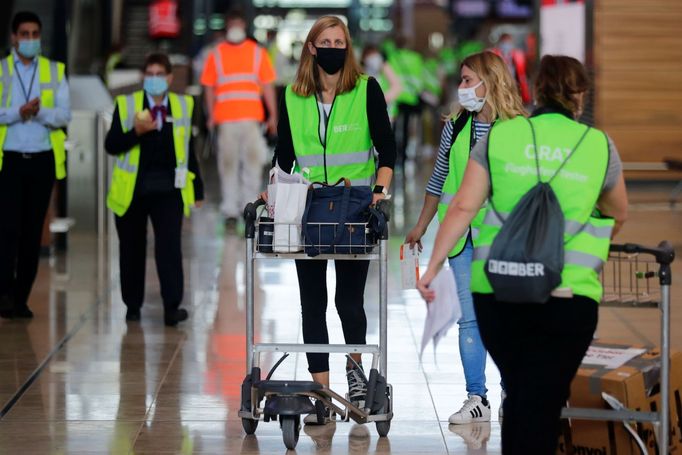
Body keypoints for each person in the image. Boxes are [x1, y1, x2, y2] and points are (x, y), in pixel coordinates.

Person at [417, 55, 628, 454]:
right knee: (544, 400)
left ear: (538, 91)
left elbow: (462, 206)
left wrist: (432, 267)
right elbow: (619, 212)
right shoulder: (598, 145)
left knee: (520, 395)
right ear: (579, 96)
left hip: (499, 289)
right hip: (569, 296)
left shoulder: (501, 138)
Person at [268, 15, 396, 424]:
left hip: (354, 207)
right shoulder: (293, 96)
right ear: (311, 47)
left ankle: (355, 376)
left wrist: (379, 193)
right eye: (326, 41)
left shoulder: (366, 90)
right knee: (312, 303)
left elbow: (387, 150)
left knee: (348, 300)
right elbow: (285, 155)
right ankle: (320, 393)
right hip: (308, 207)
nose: (334, 47)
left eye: (340, 41)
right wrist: (269, 192)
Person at [406, 51, 526, 425]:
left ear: (489, 82)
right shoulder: (456, 125)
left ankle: (512, 390)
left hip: (501, 239)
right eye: (461, 80)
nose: (461, 88)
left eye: (467, 79)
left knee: (506, 318)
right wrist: (421, 226)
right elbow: (438, 180)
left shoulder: (517, 128)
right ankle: (477, 396)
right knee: (469, 319)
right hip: (460, 238)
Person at [105, 53, 204, 327]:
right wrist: (136, 131)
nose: (155, 79)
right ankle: (132, 306)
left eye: (160, 74)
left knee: (169, 248)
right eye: (150, 74)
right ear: (143, 77)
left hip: (168, 190)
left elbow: (188, 150)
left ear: (170, 78)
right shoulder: (126, 105)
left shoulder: (183, 105)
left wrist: (198, 189)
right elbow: (111, 145)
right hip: (132, 190)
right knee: (132, 249)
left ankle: (172, 307)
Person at [0, 11, 71, 319]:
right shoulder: (1, 70)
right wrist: (19, 112)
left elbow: (63, 115)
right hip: (10, 159)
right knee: (7, 230)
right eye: (24, 34)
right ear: (14, 37)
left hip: (42, 160)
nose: (30, 40)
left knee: (32, 233)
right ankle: (3, 292)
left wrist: (39, 113)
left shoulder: (55, 71)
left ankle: (20, 299)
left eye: (34, 34)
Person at [200, 9, 277, 228]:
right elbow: (209, 88)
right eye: (232, 23)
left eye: (238, 23)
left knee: (252, 164)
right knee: (227, 164)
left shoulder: (257, 53)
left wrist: (272, 115)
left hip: (252, 119)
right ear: (227, 26)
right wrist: (211, 114)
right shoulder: (216, 54)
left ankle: (248, 207)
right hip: (225, 119)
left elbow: (268, 86)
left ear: (244, 26)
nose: (235, 27)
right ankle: (230, 210)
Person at [360, 44, 401, 121]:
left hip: (387, 113)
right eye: (370, 55)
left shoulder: (384, 68)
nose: (374, 58)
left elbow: (397, 87)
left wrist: (382, 99)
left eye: (375, 55)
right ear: (364, 58)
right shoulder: (361, 72)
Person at [491, 33, 531, 105]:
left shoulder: (518, 55)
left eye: (508, 42)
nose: (506, 45)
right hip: (499, 85)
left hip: (514, 85)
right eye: (504, 42)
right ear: (500, 43)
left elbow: (523, 74)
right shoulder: (493, 54)